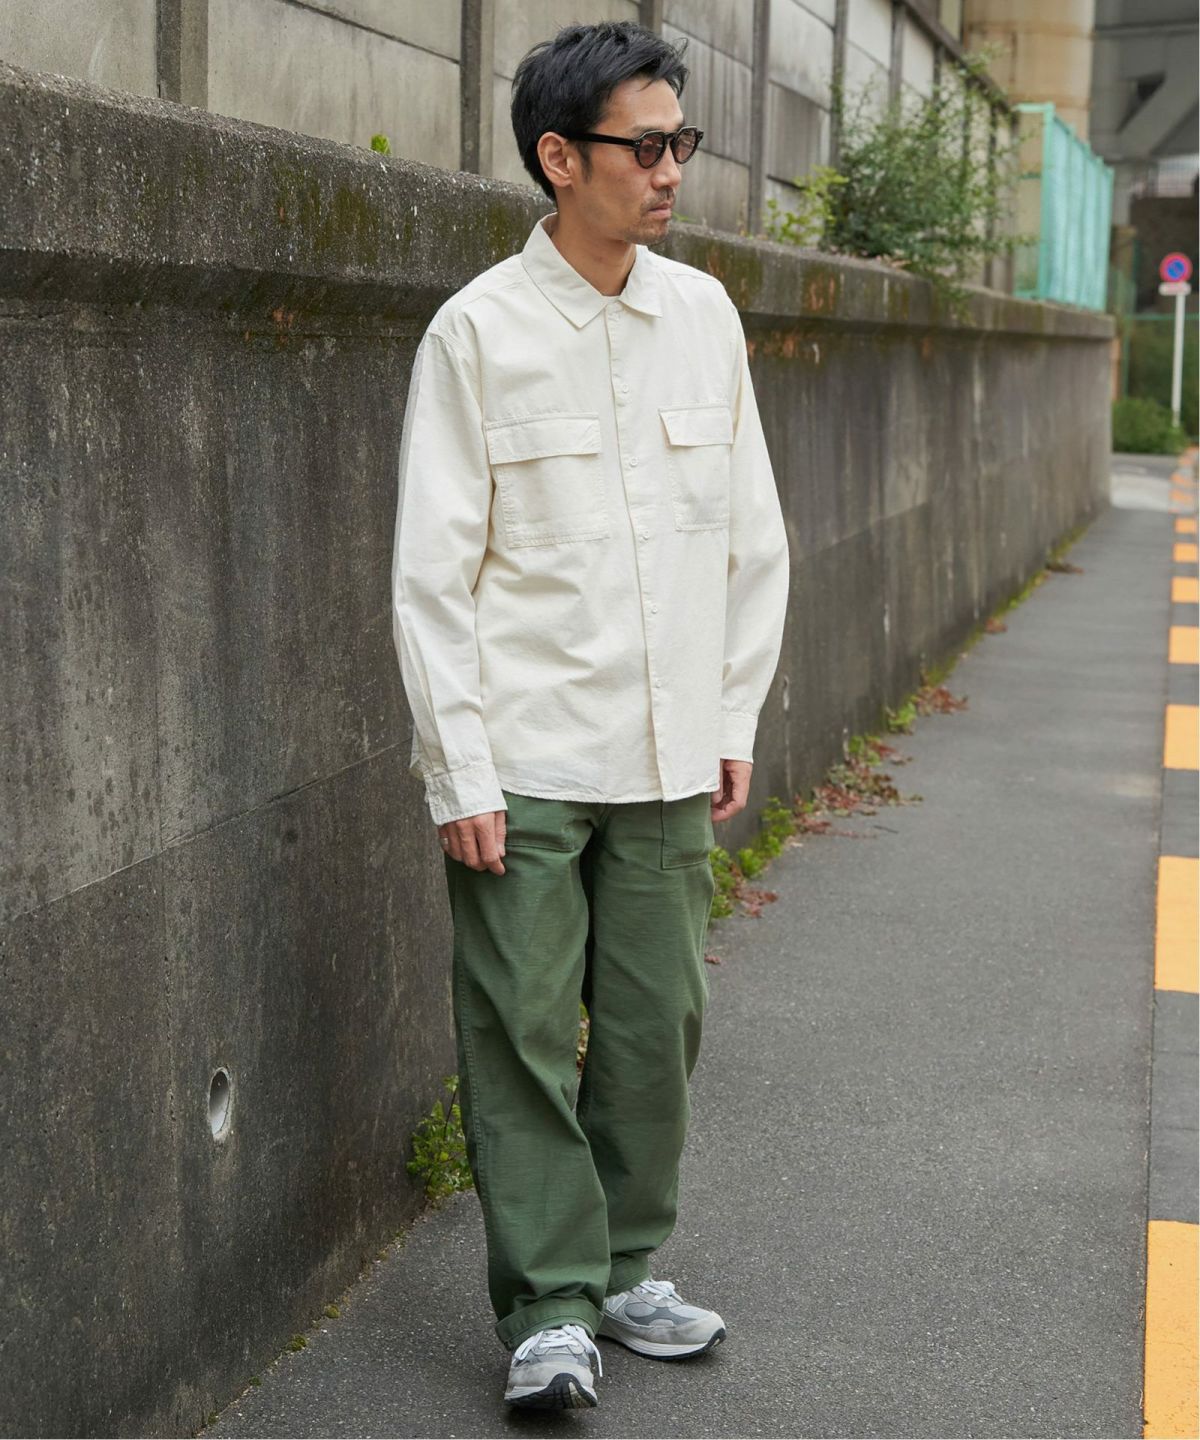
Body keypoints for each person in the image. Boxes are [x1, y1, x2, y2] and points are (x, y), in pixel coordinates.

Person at [390, 18, 790, 1411]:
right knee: (516, 1032)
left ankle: (624, 1268)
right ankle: (549, 1307)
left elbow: (752, 536)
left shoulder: (705, 318)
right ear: (560, 159)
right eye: (647, 145)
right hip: (528, 755)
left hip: (672, 751)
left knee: (653, 1028)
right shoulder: (478, 334)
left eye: (685, 142)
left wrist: (733, 712)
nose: (673, 171)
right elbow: (431, 574)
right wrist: (460, 768)